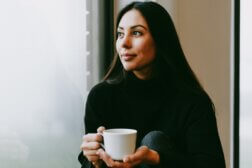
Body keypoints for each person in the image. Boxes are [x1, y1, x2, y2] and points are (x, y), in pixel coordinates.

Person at [79, 1, 226, 168]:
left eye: (136, 33)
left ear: (160, 39)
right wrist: (93, 160)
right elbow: (89, 162)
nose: (124, 43)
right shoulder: (101, 97)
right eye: (120, 34)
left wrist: (157, 158)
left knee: (154, 140)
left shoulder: (192, 101)